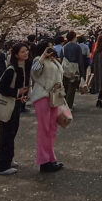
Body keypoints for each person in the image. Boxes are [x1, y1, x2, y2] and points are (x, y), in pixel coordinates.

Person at [0, 42, 31, 175]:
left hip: (15, 104)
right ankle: (2, 166)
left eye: (26, 51)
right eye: (22, 52)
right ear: (16, 55)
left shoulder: (23, 67)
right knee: (6, 134)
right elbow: (1, 88)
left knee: (12, 132)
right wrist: (17, 92)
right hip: (8, 104)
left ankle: (9, 159)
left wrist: (21, 96)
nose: (26, 53)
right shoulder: (11, 69)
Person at [29, 45, 64, 173]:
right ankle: (44, 161)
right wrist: (43, 56)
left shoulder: (54, 61)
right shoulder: (38, 60)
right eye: (48, 47)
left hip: (55, 96)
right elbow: (35, 71)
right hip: (42, 95)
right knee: (44, 129)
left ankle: (51, 158)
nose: (51, 50)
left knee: (52, 128)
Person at [61, 30, 86, 110]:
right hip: (74, 69)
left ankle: (64, 103)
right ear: (74, 37)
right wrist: (82, 73)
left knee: (65, 86)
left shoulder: (64, 47)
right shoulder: (77, 47)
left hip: (65, 69)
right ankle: (69, 105)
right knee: (72, 87)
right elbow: (80, 60)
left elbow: (61, 58)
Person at [90, 34, 102, 107]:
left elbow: (93, 61)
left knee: (101, 85)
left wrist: (92, 70)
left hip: (97, 70)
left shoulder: (96, 49)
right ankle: (100, 99)